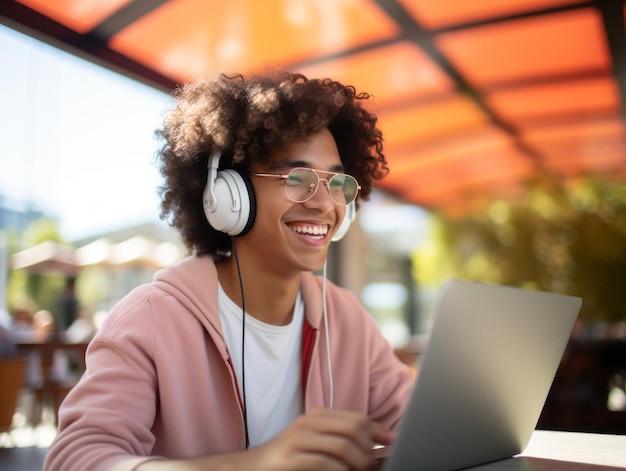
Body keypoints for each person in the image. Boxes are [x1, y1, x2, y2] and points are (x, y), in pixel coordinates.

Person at [44, 70, 414, 471]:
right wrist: (255, 464)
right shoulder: (150, 321)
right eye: (298, 178)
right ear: (227, 196)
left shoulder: (347, 320)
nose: (325, 205)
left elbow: (418, 429)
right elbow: (74, 460)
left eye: (336, 182)